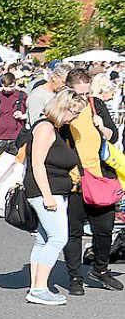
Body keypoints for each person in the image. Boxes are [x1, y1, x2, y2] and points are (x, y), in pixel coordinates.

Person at [58, 68, 121, 294]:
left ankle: (101, 269)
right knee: (73, 232)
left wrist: (101, 126)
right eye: (79, 94)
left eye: (86, 93)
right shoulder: (61, 108)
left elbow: (114, 135)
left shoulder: (96, 105)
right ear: (68, 90)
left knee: (104, 229)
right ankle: (75, 277)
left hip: (100, 177)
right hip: (74, 181)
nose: (83, 99)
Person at [23, 91, 84, 306]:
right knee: (59, 238)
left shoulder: (51, 127)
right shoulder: (45, 128)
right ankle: (38, 289)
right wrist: (48, 196)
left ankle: (37, 286)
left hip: (52, 190)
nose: (74, 118)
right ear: (62, 108)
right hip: (46, 192)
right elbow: (37, 164)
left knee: (43, 239)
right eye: (73, 113)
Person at [0, 75, 27, 154]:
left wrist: (22, 116)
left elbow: (31, 113)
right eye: (6, 86)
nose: (8, 89)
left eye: (11, 86)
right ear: (1, 84)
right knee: (1, 164)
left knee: (17, 164)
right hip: (0, 136)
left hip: (17, 136)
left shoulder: (22, 95)